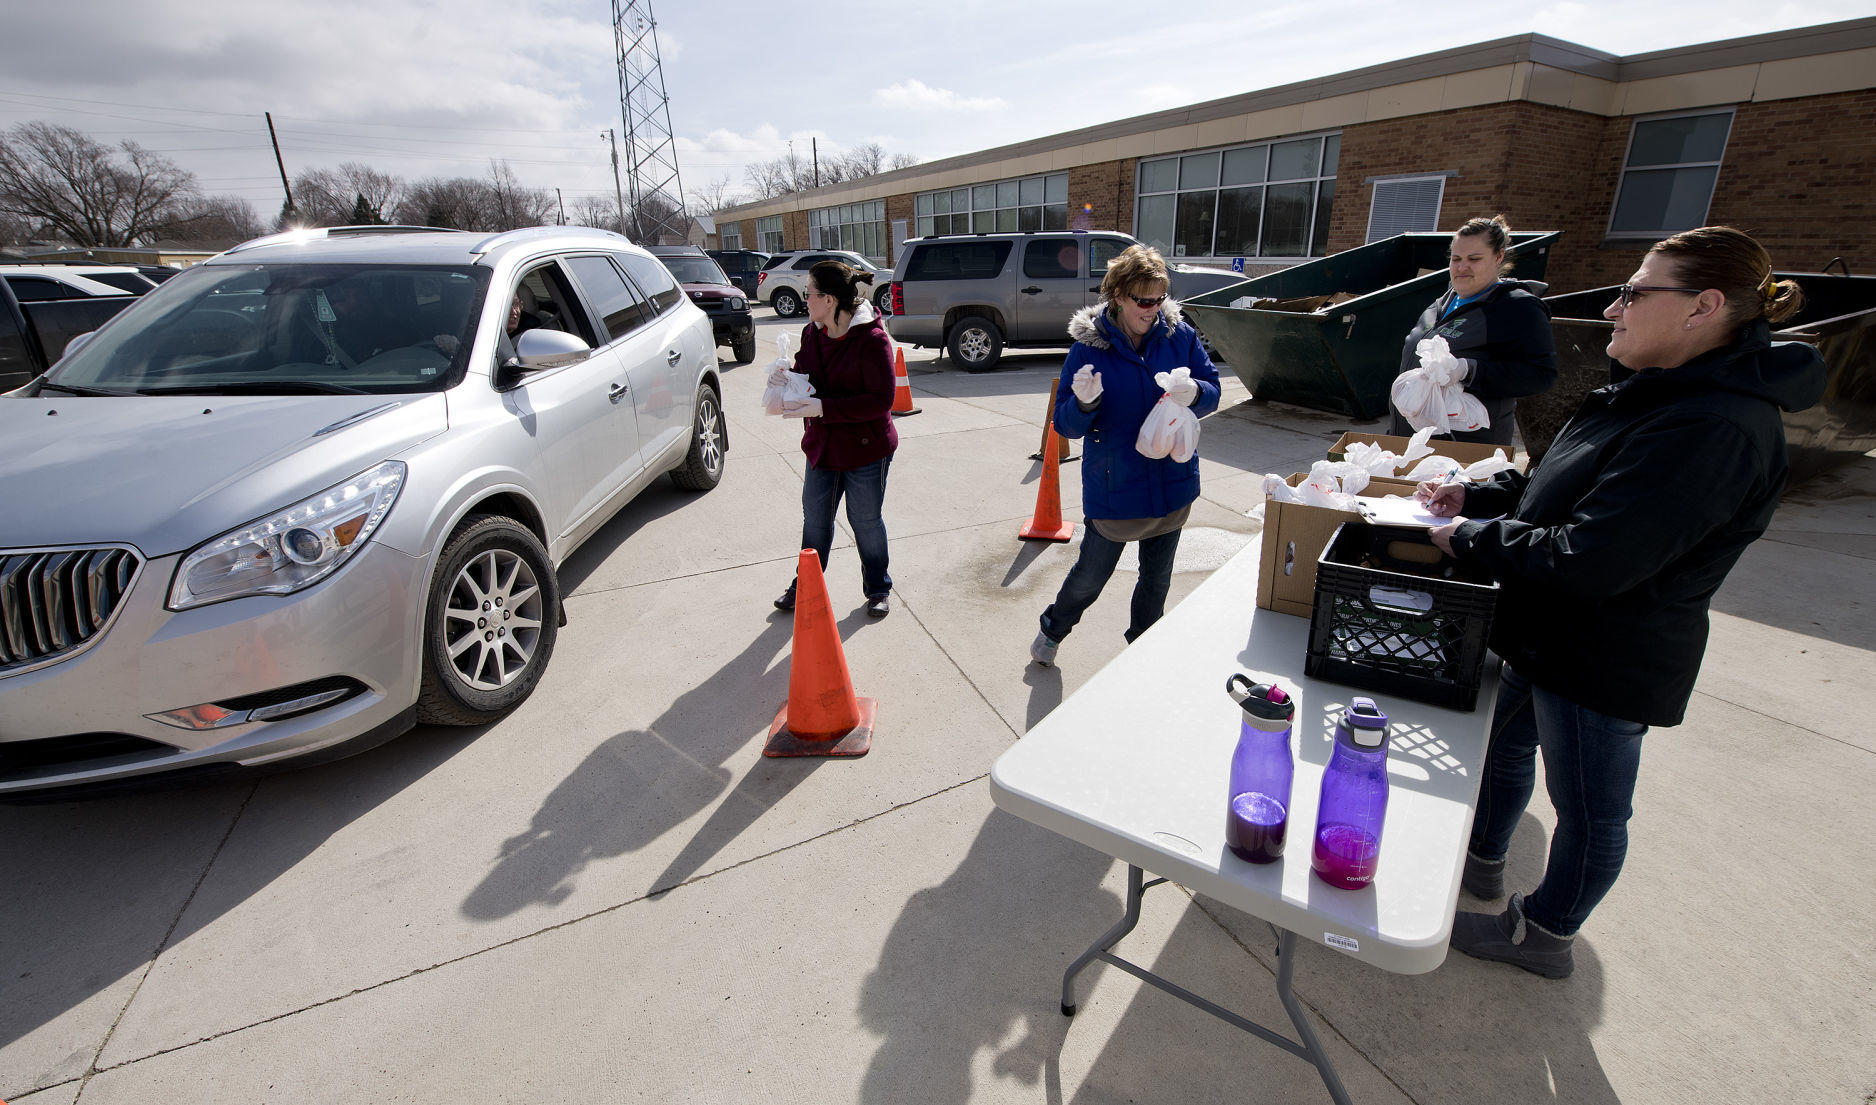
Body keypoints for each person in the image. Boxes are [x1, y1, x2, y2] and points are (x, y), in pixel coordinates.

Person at [1419, 226, 1823, 978]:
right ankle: (1479, 860)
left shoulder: (1713, 426)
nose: (1613, 309)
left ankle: (1542, 933)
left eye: (1636, 292)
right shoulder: (1657, 387)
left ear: (1703, 307)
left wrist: (1470, 537)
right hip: (1543, 630)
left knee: (1592, 810)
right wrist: (1477, 489)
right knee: (1503, 747)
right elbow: (1557, 486)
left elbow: (1590, 557)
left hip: (1602, 656)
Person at [1029, 244, 1221, 666]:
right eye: (1143, 299)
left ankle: (1143, 651)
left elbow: (1213, 390)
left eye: (1158, 299)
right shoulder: (1088, 349)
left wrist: (1198, 393)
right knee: (1090, 578)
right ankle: (1053, 628)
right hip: (1116, 486)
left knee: (1156, 580)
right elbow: (1065, 427)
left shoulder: (1180, 335)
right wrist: (1082, 403)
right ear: (1117, 295)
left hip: (1172, 484)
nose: (1152, 309)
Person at [772, 259, 898, 618]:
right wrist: (786, 378)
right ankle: (805, 584)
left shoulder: (871, 339)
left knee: (865, 519)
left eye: (809, 293)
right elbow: (806, 370)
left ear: (828, 299)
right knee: (814, 518)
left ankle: (877, 588)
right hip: (823, 445)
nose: (805, 298)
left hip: (866, 447)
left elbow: (880, 400)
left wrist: (823, 407)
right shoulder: (814, 331)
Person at [1388, 215, 1557, 447]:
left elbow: (1541, 375)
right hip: (1412, 443)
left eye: (1474, 259)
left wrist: (1468, 370)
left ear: (1499, 257)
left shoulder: (1516, 307)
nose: (1462, 267)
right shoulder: (1441, 304)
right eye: (1456, 258)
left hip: (1465, 450)